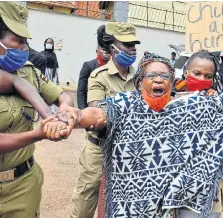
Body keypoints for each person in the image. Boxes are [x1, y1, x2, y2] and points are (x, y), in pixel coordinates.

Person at [54, 52, 223, 218]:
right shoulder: (126, 103)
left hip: (166, 202)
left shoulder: (184, 108)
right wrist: (77, 116)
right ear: (140, 81)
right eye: (152, 76)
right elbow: (99, 113)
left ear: (172, 81)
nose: (158, 80)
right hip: (129, 201)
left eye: (165, 77)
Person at [0, 2, 74, 217]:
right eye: (18, 41)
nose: (25, 49)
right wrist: (38, 134)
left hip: (23, 187)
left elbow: (61, 96)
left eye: (26, 42)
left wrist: (63, 112)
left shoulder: (27, 71)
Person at [70, 22, 140, 218]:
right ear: (113, 47)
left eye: (134, 44)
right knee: (86, 197)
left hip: (128, 151)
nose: (132, 49)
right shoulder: (99, 76)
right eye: (127, 44)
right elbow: (96, 109)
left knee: (122, 200)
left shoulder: (141, 79)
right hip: (99, 149)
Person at [77, 25, 111, 110]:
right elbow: (81, 91)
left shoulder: (116, 67)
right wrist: (83, 111)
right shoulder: (88, 66)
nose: (106, 52)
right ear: (97, 51)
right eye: (103, 49)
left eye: (108, 49)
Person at [41, 37, 60, 113]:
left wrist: (55, 76)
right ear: (45, 44)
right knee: (45, 90)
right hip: (44, 73)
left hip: (52, 74)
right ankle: (44, 109)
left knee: (53, 90)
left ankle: (53, 109)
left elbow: (55, 65)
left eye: (50, 43)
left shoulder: (53, 54)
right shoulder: (41, 53)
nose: (49, 44)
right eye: (47, 42)